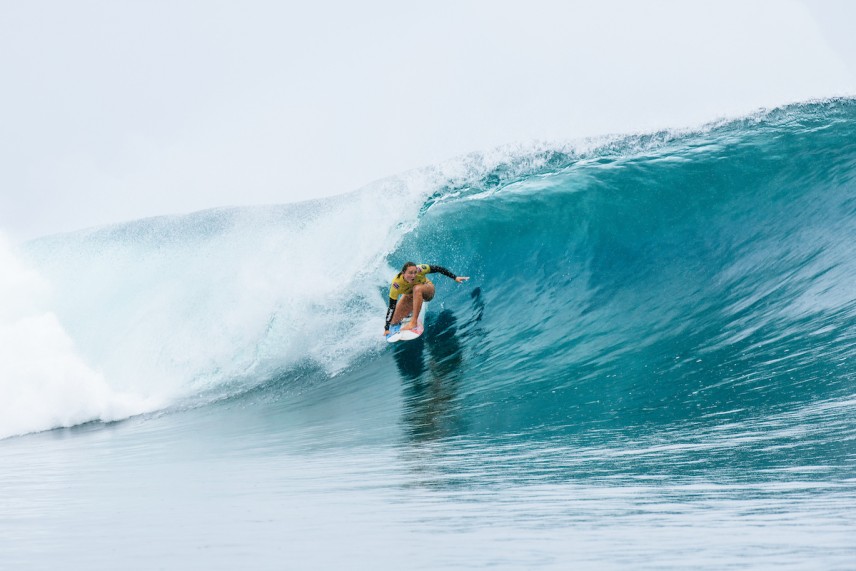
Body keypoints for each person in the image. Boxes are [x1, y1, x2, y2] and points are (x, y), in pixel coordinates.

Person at [384, 262, 469, 335]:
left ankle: (413, 322)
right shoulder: (396, 285)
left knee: (417, 288)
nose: (413, 275)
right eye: (410, 273)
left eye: (415, 272)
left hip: (427, 289)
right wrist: (387, 328)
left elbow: (437, 268)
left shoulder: (420, 269)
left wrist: (455, 277)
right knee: (393, 321)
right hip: (411, 296)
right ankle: (410, 312)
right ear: (403, 273)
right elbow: (391, 307)